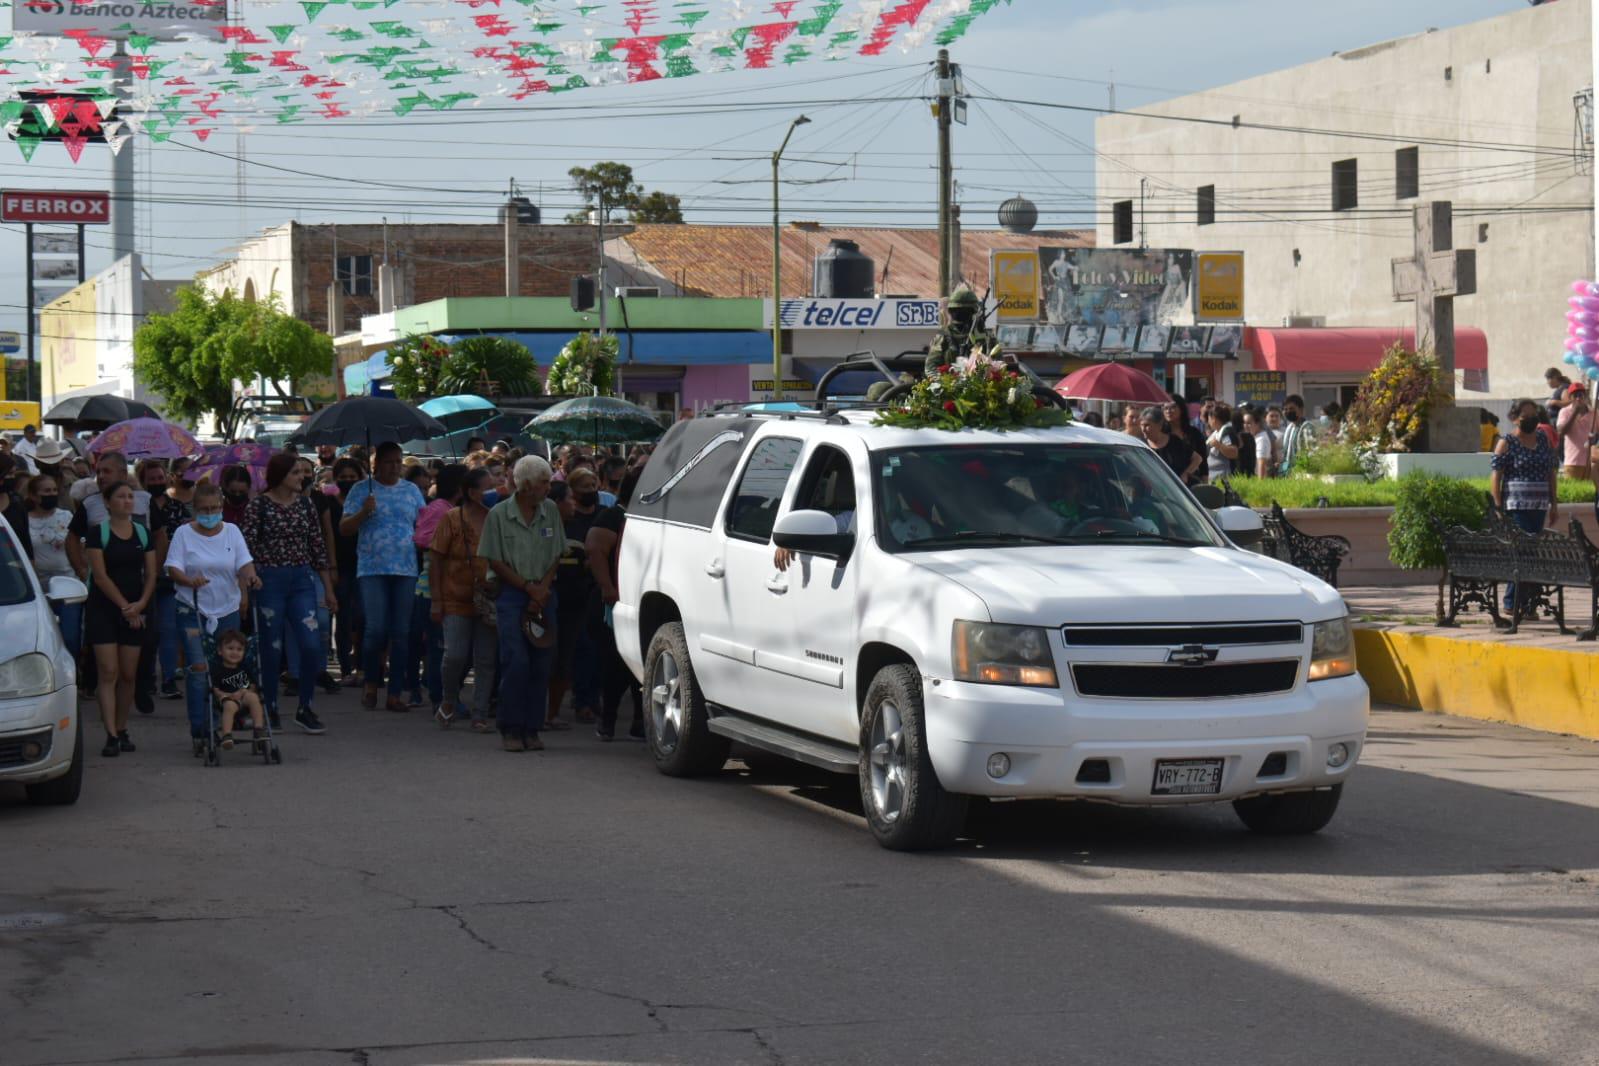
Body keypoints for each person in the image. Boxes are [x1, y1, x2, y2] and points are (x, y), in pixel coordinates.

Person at [477, 455, 563, 753]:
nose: (548, 488)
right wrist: (527, 587)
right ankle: (510, 727)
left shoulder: (550, 510)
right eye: (543, 482)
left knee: (541, 664)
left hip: (544, 594)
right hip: (512, 595)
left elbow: (556, 553)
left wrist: (541, 590)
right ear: (526, 485)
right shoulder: (499, 514)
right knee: (516, 662)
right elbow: (494, 559)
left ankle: (532, 727)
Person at [242, 453, 332, 735]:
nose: (301, 477)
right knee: (271, 648)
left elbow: (317, 547)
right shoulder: (259, 506)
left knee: (311, 644)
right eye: (295, 473)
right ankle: (269, 705)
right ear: (280, 475)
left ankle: (305, 707)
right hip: (268, 580)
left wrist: (328, 588)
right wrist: (248, 584)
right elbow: (245, 549)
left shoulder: (306, 505)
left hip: (302, 579)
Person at [166, 481, 259, 750]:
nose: (210, 514)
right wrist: (188, 580)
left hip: (225, 608)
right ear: (194, 510)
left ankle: (224, 721)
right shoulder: (184, 534)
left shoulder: (231, 531)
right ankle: (201, 727)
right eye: (204, 509)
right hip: (193, 607)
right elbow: (172, 567)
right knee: (199, 668)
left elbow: (244, 561)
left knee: (228, 665)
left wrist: (251, 577)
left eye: (215, 508)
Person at [340, 441, 426, 713]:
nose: (394, 467)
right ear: (376, 463)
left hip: (406, 568)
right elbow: (344, 528)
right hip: (372, 568)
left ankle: (396, 692)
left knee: (401, 632)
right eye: (388, 461)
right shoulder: (360, 490)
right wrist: (363, 512)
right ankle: (371, 682)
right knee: (375, 629)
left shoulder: (412, 491)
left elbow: (423, 525)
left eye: (398, 461)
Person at [84, 482, 157, 758]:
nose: (127, 502)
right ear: (107, 502)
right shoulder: (97, 533)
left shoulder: (142, 532)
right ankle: (111, 734)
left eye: (130, 497)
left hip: (135, 608)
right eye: (121, 497)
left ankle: (122, 726)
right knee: (109, 672)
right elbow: (99, 576)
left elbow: (150, 573)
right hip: (104, 608)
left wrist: (139, 605)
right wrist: (126, 607)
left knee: (129, 674)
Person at [429, 466, 496, 731]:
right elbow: (435, 560)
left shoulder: (496, 518)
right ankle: (449, 699)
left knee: (486, 659)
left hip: (488, 599)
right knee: (454, 655)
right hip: (455, 598)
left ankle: (479, 713)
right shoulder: (451, 519)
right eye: (488, 487)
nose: (494, 490)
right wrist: (436, 600)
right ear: (471, 492)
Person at [586, 469, 644, 742]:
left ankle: (639, 723)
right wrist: (608, 588)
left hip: (638, 601)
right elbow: (594, 549)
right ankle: (607, 721)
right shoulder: (613, 515)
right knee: (615, 666)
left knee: (638, 669)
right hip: (613, 602)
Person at [1491, 405, 1558, 619]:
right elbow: (1496, 476)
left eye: (1533, 416)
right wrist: (1498, 506)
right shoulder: (1506, 443)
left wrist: (1553, 503)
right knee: (1521, 553)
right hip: (1516, 507)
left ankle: (1527, 603)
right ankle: (1513, 602)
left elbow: (1550, 472)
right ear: (1514, 418)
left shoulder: (1542, 440)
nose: (1530, 419)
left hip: (1538, 507)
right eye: (1525, 416)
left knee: (1531, 553)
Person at [546, 477, 600, 730]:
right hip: (546, 601)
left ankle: (553, 713)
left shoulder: (581, 525)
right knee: (547, 658)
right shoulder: (543, 528)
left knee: (568, 659)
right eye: (569, 498)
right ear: (556, 503)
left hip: (577, 603)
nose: (573, 503)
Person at [405, 464, 456, 712]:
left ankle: (435, 693)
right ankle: (436, 697)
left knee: (437, 646)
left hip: (443, 589)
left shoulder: (449, 510)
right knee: (435, 646)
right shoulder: (440, 511)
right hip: (431, 589)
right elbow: (423, 541)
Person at [293, 456, 342, 696]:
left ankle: (320, 670)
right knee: (293, 625)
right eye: (298, 471)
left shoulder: (320, 499)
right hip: (291, 569)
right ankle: (295, 673)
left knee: (323, 621)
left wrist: (331, 566)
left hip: (317, 567)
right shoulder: (276, 501)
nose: (302, 476)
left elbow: (327, 533)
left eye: (306, 471)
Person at [141, 459, 186, 701]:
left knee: (169, 629)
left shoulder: (177, 507)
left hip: (169, 575)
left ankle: (169, 679)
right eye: (152, 479)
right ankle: (146, 679)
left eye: (160, 478)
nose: (157, 483)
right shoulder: (137, 506)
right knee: (146, 632)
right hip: (141, 575)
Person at [26, 473, 79, 658]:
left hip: (68, 584)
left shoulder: (66, 516)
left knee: (71, 635)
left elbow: (78, 545)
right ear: (33, 495)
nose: (52, 494)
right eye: (46, 491)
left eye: (54, 490)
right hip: (38, 588)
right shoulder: (25, 521)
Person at [328, 457, 366, 685]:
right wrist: (331, 566)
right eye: (343, 478)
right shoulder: (330, 504)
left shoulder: (366, 502)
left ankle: (361, 664)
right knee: (342, 618)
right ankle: (345, 667)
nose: (348, 481)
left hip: (363, 565)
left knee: (362, 617)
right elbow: (330, 535)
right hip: (340, 567)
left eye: (352, 477)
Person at [209, 630, 267, 753]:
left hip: (243, 698)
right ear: (220, 651)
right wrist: (226, 695)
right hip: (226, 700)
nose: (235, 652)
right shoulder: (217, 670)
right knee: (229, 705)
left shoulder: (244, 668)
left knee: (254, 697)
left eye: (239, 649)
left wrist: (243, 692)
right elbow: (214, 689)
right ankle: (227, 735)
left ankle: (258, 729)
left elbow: (252, 686)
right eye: (230, 648)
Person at [925, 284, 996, 376]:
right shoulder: (944, 335)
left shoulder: (986, 336)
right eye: (957, 310)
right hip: (950, 386)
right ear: (951, 311)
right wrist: (944, 384)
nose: (960, 313)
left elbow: (997, 364)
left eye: (966, 310)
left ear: (973, 311)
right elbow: (931, 367)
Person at [1139, 407, 1202, 485]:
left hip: (1177, 489)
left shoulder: (1174, 441)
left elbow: (1197, 459)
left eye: (1147, 425)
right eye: (1141, 425)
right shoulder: (1140, 445)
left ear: (1159, 425)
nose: (1143, 429)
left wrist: (1186, 474)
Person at [0, 455, 34, 561]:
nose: (12, 478)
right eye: (9, 474)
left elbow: (25, 542)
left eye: (13, 473)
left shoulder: (16, 503)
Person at [1556, 384, 1594, 480]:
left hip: (1591, 462)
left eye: (1580, 395)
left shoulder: (1594, 412)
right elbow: (1561, 432)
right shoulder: (1564, 412)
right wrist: (1574, 413)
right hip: (1573, 461)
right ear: (1570, 398)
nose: (1578, 398)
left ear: (1585, 396)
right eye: (1575, 396)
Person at [1163, 396, 1206, 466]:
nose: (1168, 411)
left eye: (1173, 407)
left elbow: (1203, 460)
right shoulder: (1161, 432)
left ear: (1182, 409)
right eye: (1165, 408)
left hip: (1191, 474)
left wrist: (1204, 476)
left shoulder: (1194, 433)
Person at [1279, 394, 1316, 475]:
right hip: (1286, 473)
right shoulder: (1289, 427)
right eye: (1285, 409)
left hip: (1301, 474)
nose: (1288, 411)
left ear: (1301, 409)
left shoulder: (1307, 427)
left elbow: (1311, 453)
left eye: (1291, 409)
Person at [1204, 402, 1240, 482]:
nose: (1208, 422)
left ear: (1214, 419)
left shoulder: (1227, 431)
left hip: (1225, 478)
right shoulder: (1217, 432)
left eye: (1209, 419)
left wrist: (1218, 445)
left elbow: (1233, 452)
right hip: (1215, 477)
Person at [1243, 408, 1279, 479]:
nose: (1245, 426)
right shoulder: (1254, 437)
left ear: (1257, 424)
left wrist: (1260, 485)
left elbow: (1262, 464)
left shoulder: (1261, 439)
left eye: (1249, 423)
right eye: (1244, 423)